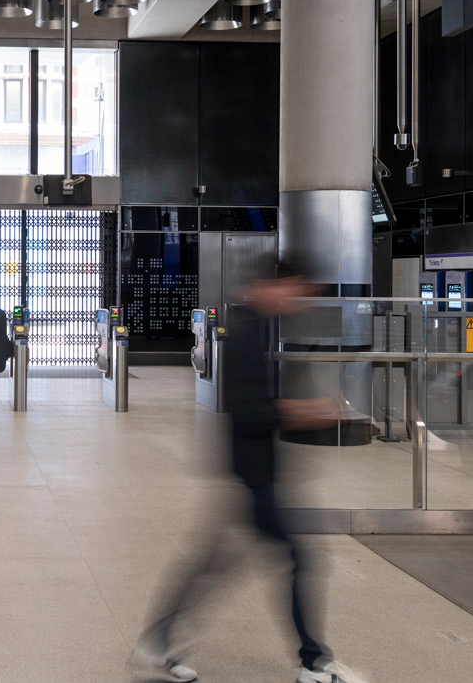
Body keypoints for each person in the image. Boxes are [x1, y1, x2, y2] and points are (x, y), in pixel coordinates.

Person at [132, 265, 365, 683]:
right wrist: (308, 411)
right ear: (272, 285)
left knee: (216, 565)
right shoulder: (244, 334)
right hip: (253, 476)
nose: (298, 302)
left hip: (253, 474)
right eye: (296, 291)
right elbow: (249, 411)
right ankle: (313, 662)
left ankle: (160, 642)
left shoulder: (258, 329)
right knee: (293, 561)